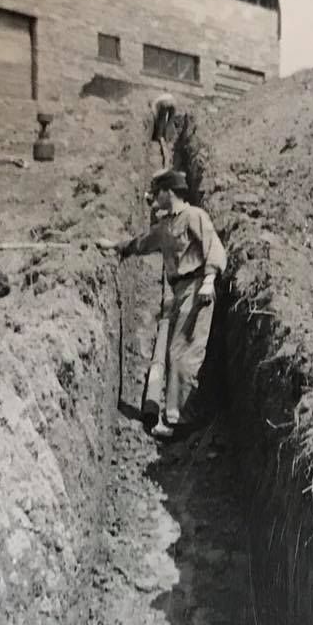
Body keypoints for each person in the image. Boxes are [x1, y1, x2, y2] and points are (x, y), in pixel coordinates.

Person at [97, 168, 227, 439]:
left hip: (196, 288)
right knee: (175, 352)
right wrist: (115, 247)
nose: (154, 197)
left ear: (170, 192)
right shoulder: (168, 224)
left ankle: (180, 422)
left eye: (158, 192)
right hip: (179, 289)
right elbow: (143, 242)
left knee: (183, 353)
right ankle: (177, 415)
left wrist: (209, 279)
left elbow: (213, 246)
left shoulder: (194, 216)